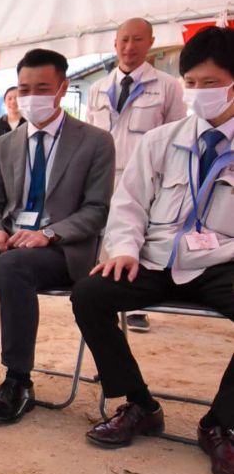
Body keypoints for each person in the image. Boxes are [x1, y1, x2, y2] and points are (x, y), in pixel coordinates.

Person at [71, 25, 234, 474]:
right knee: (89, 294)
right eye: (192, 83)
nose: (200, 93)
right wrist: (123, 249)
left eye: (211, 83)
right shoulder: (162, 140)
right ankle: (140, 404)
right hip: (157, 257)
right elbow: (129, 203)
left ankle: (221, 424)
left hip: (221, 261)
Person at [0, 48, 114, 424]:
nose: (30, 97)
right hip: (10, 242)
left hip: (60, 249)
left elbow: (97, 209)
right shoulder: (5, 144)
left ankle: (18, 380)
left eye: (42, 87)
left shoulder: (96, 142)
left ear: (62, 89)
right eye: (23, 88)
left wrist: (50, 234)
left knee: (13, 267)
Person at [86, 17, 186, 332]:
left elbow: (176, 136)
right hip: (104, 177)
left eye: (138, 40)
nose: (130, 47)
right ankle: (106, 299)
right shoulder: (97, 89)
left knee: (139, 235)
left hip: (147, 179)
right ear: (115, 44)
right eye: (124, 40)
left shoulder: (168, 87)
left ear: (150, 42)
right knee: (105, 237)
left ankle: (135, 306)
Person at [0, 86, 25, 151]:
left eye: (17, 98)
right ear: (5, 102)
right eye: (9, 99)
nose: (13, 102)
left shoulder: (30, 125)